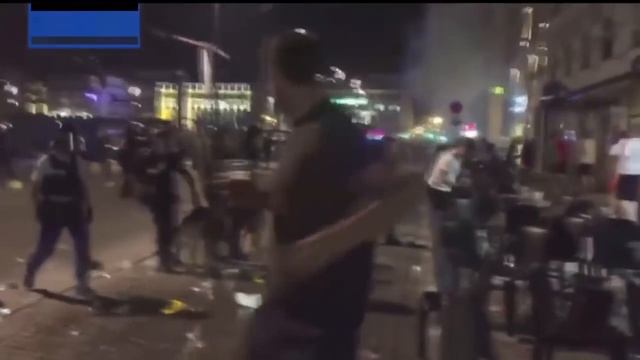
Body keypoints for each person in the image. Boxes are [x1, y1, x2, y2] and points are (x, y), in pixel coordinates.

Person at [242, 30, 422, 360]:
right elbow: (321, 197)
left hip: (314, 331)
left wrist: (321, 247)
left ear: (278, 74)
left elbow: (410, 185)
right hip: (289, 317)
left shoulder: (332, 131)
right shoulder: (310, 130)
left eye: (268, 74)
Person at [24, 126, 95, 297]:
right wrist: (38, 207)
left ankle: (82, 283)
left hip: (73, 209)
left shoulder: (77, 162)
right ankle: (32, 269)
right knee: (46, 248)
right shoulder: (46, 162)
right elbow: (36, 187)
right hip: (53, 209)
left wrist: (87, 206)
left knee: (82, 247)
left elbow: (83, 187)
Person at [139, 128, 201, 272]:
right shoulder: (154, 158)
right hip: (161, 199)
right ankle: (165, 262)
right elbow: (145, 176)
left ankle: (171, 259)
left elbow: (182, 170)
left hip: (169, 198)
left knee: (172, 230)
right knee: (165, 231)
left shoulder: (168, 158)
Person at [425, 138, 466, 299]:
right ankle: (447, 287)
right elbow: (442, 177)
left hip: (439, 195)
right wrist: (455, 184)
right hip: (439, 195)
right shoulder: (448, 158)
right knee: (441, 232)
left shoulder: (449, 157)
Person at [609, 130, 640, 222]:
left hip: (624, 176)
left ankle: (622, 220)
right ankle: (631, 222)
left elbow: (614, 159)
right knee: (630, 202)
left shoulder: (621, 146)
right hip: (633, 177)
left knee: (622, 201)